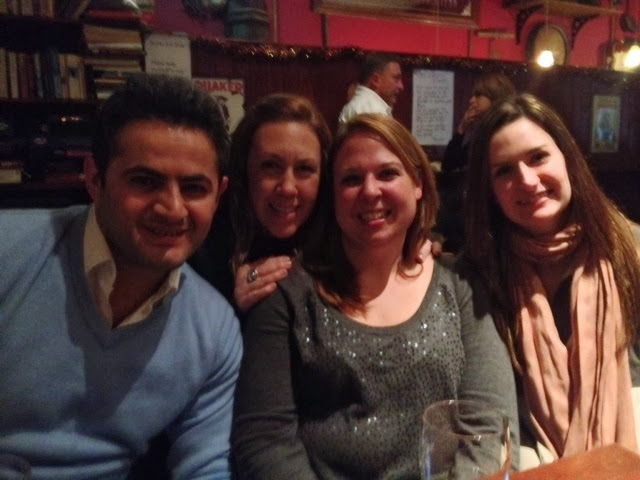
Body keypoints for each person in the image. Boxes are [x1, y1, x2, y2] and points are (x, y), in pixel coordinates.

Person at [231, 113, 519, 478]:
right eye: (351, 179)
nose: (370, 191)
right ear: (333, 197)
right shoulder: (286, 294)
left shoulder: (460, 283)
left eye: (387, 173)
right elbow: (265, 442)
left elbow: (490, 426)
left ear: (418, 184)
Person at [0, 75, 242, 479]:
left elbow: (205, 467)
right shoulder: (10, 252)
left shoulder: (214, 329)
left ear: (219, 194)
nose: (172, 208)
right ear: (95, 179)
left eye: (194, 188)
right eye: (145, 181)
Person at [463, 93, 640, 468]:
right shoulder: (478, 272)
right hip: (530, 459)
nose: (527, 180)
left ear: (567, 158)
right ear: (490, 190)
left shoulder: (630, 249)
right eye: (504, 171)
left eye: (538, 157)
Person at [189, 93, 332, 313]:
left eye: (304, 169)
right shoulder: (203, 245)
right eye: (271, 166)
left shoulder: (337, 243)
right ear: (244, 171)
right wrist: (229, 303)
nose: (287, 187)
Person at [436, 72, 516, 253]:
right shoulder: (482, 134)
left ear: (495, 99)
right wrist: (462, 128)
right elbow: (449, 164)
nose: (472, 101)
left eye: (479, 95)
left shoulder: (502, 135)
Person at [337, 53, 404, 125]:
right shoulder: (371, 111)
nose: (401, 86)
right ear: (376, 80)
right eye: (396, 79)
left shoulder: (364, 106)